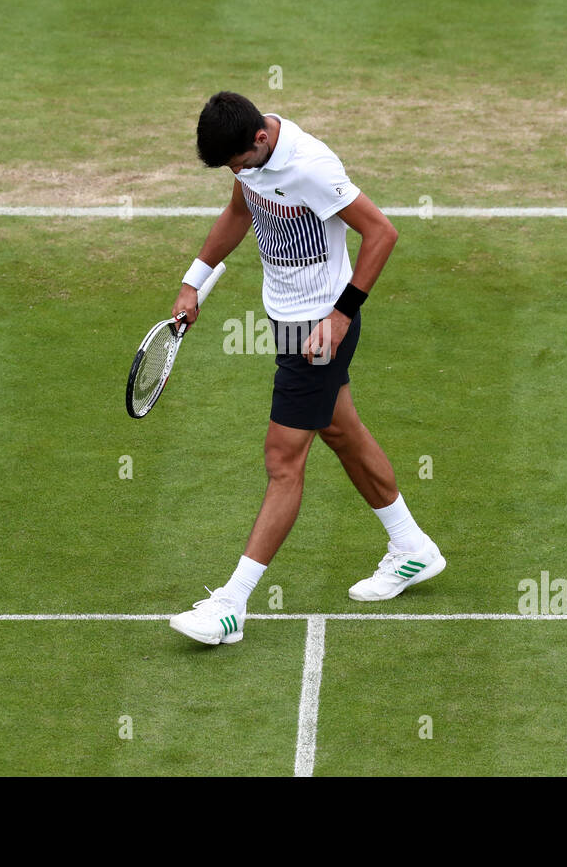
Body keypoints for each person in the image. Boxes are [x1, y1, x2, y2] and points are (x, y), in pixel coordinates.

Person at [168, 92, 445, 646]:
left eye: (240, 163)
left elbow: (382, 232)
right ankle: (412, 547)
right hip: (288, 320)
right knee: (340, 431)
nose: (237, 173)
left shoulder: (311, 168)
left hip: (319, 331)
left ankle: (232, 604)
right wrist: (193, 282)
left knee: (282, 461)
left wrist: (341, 317)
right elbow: (237, 211)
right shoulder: (250, 161)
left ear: (262, 140)